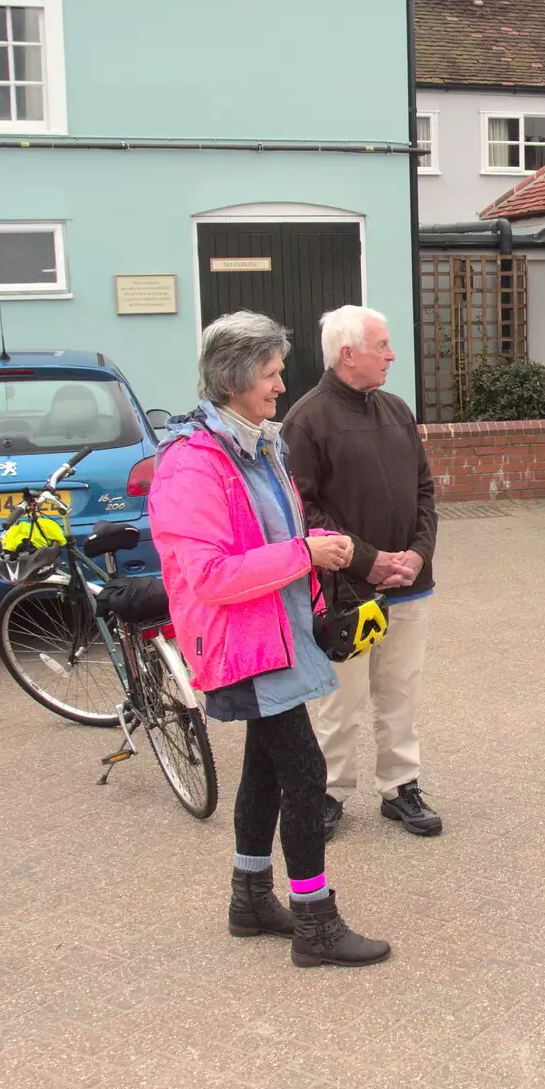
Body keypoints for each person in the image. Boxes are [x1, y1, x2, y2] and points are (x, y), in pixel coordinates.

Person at [148, 310, 391, 968]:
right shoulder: (193, 464)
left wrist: (313, 591)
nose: (281, 386)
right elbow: (209, 576)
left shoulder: (260, 445)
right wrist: (305, 555)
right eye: (271, 374)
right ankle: (315, 921)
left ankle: (251, 898)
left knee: (265, 765)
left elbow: (279, 540)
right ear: (233, 378)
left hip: (278, 638)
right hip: (243, 646)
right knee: (305, 771)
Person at [282, 305, 440, 841]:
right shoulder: (305, 421)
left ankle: (401, 787)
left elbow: (424, 491)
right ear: (348, 354)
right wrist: (371, 561)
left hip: (409, 585)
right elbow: (301, 512)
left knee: (400, 692)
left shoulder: (396, 409)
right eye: (382, 345)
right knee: (339, 700)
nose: (392, 355)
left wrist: (417, 553)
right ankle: (330, 791)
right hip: (343, 592)